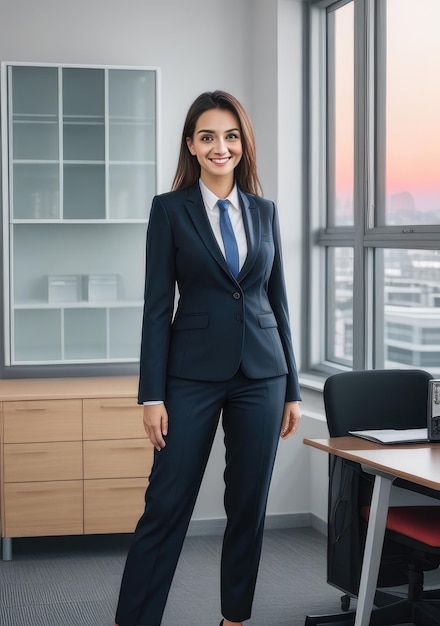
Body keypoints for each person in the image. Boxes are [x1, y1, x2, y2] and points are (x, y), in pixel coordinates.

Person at [114, 90, 301, 626]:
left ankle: (234, 618)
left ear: (243, 143)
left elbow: (276, 300)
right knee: (166, 505)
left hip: (263, 375)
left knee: (248, 505)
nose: (221, 147)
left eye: (231, 136)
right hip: (189, 376)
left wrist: (290, 386)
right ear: (191, 146)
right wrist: (152, 394)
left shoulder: (265, 212)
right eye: (208, 137)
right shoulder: (169, 210)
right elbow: (156, 308)